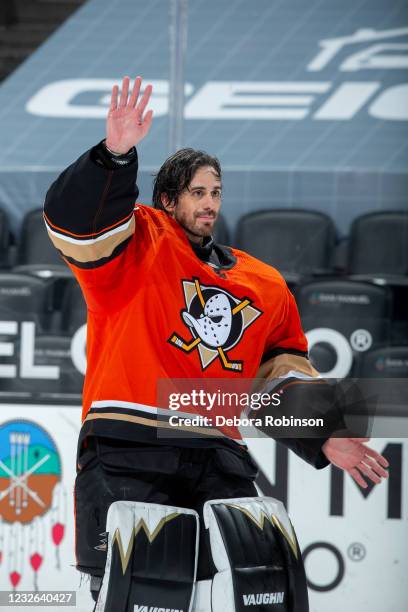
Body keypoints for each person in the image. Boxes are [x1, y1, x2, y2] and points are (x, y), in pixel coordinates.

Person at [44, 77, 388, 612]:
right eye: (197, 192)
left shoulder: (263, 282)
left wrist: (322, 435)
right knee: (136, 595)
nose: (210, 204)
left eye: (216, 192)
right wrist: (113, 156)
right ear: (166, 199)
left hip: (217, 459)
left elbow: (280, 378)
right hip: (130, 450)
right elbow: (74, 224)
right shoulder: (135, 244)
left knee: (262, 589)